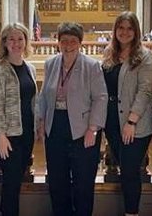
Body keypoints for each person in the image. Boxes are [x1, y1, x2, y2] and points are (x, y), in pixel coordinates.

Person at [35, 22, 107, 216]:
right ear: (58, 42)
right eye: (63, 40)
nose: (68, 45)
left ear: (80, 43)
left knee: (83, 180)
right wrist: (41, 122)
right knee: (57, 180)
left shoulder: (91, 66)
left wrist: (93, 128)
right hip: (55, 125)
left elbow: (100, 98)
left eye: (73, 41)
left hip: (83, 128)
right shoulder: (51, 63)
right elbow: (43, 96)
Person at [101, 11, 152, 216]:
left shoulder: (144, 56)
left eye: (129, 28)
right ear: (115, 30)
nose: (124, 32)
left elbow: (145, 91)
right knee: (123, 166)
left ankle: (132, 213)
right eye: (120, 28)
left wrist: (131, 121)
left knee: (130, 171)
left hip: (135, 123)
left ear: (136, 31)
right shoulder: (109, 53)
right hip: (112, 120)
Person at [0, 23, 37, 216]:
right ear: (5, 43)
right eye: (12, 39)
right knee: (11, 182)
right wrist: (0, 136)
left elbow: (34, 100)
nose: (16, 43)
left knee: (17, 180)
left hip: (26, 133)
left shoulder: (30, 68)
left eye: (20, 39)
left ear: (25, 41)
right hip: (7, 137)